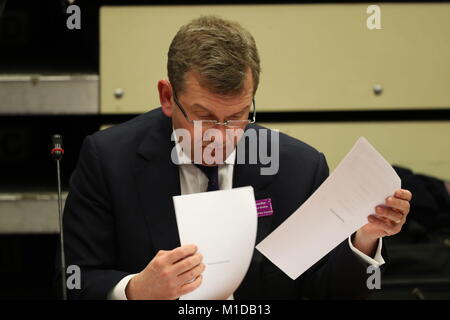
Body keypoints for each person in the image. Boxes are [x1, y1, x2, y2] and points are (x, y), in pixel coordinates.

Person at [58, 15, 412, 300]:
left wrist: (364, 237)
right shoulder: (108, 159)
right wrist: (135, 291)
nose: (221, 135)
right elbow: (75, 279)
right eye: (204, 116)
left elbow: (323, 291)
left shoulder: (298, 168)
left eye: (238, 117)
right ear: (168, 97)